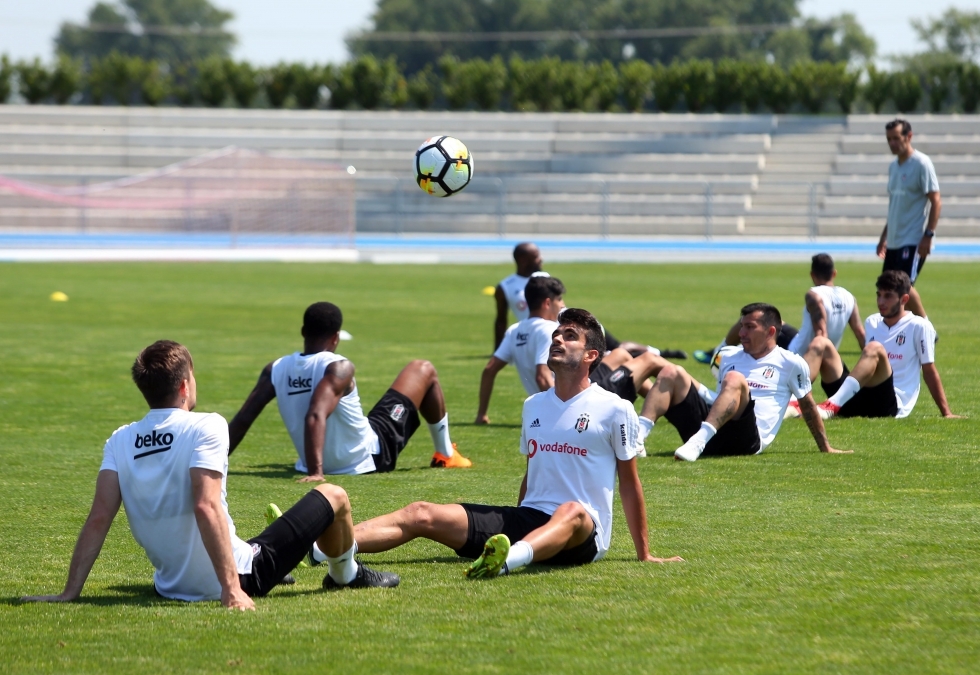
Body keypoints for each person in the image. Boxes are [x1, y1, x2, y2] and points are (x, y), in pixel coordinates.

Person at [21, 341, 399, 610]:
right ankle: (345, 574)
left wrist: (70, 592)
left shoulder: (120, 439)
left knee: (251, 538)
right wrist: (232, 590)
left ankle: (279, 560)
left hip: (170, 586)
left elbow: (99, 518)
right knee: (334, 496)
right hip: (239, 575)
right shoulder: (207, 425)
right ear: (185, 385)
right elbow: (205, 506)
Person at [353, 309, 683, 578]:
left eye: (570, 336)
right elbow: (532, 473)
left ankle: (507, 560)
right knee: (421, 513)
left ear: (591, 355)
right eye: (557, 333)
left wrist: (646, 554)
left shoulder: (616, 408)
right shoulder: (534, 405)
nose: (558, 339)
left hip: (584, 533)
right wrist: (516, 517)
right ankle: (326, 545)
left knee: (572, 510)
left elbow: (630, 482)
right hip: (529, 520)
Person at [229, 302, 471, 478]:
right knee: (423, 368)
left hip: (311, 461)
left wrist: (215, 462)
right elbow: (315, 414)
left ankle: (445, 453)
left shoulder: (276, 368)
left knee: (366, 417)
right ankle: (446, 454)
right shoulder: (339, 367)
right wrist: (317, 473)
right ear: (336, 337)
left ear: (303, 332)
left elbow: (243, 418)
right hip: (369, 458)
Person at [637, 304, 849, 462]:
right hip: (714, 428)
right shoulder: (728, 356)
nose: (741, 333)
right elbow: (720, 399)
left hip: (746, 440)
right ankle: (636, 441)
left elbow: (808, 405)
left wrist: (825, 447)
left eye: (749, 327)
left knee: (735, 379)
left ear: (770, 331)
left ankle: (697, 442)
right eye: (741, 327)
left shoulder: (791, 363)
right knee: (671, 371)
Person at [785, 271, 959, 421]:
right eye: (879, 295)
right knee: (821, 343)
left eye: (888, 296)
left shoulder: (919, 326)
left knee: (874, 348)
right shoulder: (873, 321)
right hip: (857, 397)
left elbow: (929, 370)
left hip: (888, 404)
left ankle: (832, 405)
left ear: (904, 299)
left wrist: (946, 412)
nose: (881, 301)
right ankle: (791, 402)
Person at [476, 276, 566, 424]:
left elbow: (489, 370)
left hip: (547, 404)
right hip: (574, 397)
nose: (563, 305)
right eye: (560, 299)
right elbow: (542, 376)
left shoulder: (514, 330)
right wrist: (561, 411)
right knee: (618, 355)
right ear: (548, 303)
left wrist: (481, 414)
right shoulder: (549, 330)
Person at [876, 118, 941, 319]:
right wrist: (884, 237)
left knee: (903, 287)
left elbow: (936, 200)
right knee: (888, 287)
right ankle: (902, 334)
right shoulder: (893, 167)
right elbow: (895, 206)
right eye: (889, 139)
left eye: (896, 138)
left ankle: (926, 329)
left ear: (908, 137)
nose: (892, 143)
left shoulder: (921, 163)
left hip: (913, 239)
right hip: (894, 241)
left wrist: (928, 235)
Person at [786, 253, 866, 363]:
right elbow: (860, 333)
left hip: (799, 355)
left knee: (771, 323)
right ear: (834, 273)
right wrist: (872, 359)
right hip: (830, 355)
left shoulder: (814, 295)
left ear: (812, 275)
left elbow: (821, 334)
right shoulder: (848, 296)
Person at [494, 242, 550, 349]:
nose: (541, 259)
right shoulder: (505, 287)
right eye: (536, 256)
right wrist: (498, 350)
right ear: (523, 260)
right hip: (530, 340)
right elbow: (501, 319)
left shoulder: (546, 279)